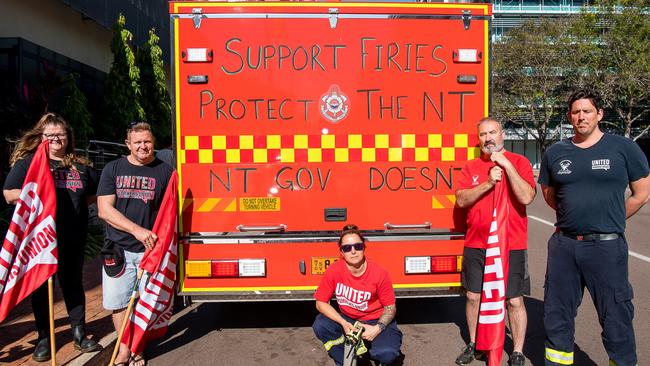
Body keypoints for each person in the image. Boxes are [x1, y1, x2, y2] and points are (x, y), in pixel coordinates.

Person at [538, 90, 650, 366]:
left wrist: (610, 217)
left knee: (616, 314)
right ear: (569, 117)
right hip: (564, 246)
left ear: (599, 114)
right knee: (557, 314)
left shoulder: (623, 148)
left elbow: (641, 192)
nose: (581, 116)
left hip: (606, 247)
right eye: (576, 112)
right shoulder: (556, 152)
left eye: (587, 111)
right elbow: (550, 195)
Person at [3, 112, 100, 362]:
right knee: (41, 288)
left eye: (61, 134)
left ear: (68, 138)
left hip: (72, 237)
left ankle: (79, 333)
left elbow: (92, 196)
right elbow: (9, 194)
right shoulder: (29, 163)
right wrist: (38, 196)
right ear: (41, 138)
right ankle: (44, 338)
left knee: (72, 284)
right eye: (50, 135)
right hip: (41, 240)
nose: (56, 139)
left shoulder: (81, 166)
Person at [454, 117, 536, 366]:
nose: (488, 138)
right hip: (477, 243)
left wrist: (507, 166)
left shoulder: (520, 162)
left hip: (511, 243)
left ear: (502, 134)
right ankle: (475, 343)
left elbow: (526, 197)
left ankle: (518, 351)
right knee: (473, 296)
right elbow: (461, 200)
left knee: (514, 300)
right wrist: (489, 182)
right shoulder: (471, 167)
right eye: (482, 134)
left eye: (492, 132)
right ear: (478, 139)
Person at [97, 122, 173, 366]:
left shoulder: (165, 171)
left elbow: (169, 211)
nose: (143, 146)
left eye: (147, 141)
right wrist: (137, 231)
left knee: (146, 302)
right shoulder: (113, 168)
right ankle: (124, 348)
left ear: (154, 143)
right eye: (137, 142)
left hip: (151, 251)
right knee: (119, 302)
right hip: (118, 248)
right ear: (128, 144)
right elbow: (104, 210)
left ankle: (137, 348)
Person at [312, 224, 402, 366]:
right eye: (347, 248)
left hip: (374, 321)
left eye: (357, 246)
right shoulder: (334, 270)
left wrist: (377, 328)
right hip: (349, 319)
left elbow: (390, 308)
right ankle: (346, 361)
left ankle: (367, 350)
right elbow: (320, 302)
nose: (353, 251)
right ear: (341, 252)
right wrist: (344, 323)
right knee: (321, 324)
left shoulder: (379, 274)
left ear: (364, 248)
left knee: (386, 353)